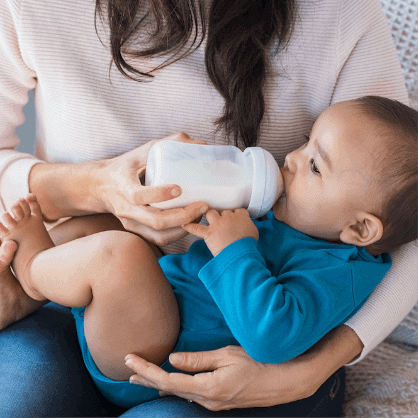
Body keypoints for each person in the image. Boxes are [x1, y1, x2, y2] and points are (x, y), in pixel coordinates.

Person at [0, 0, 416, 416]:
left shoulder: (337, 266)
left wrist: (308, 368)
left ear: (361, 230)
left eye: (313, 164)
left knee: (118, 256)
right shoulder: (304, 223)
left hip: (174, 364)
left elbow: (274, 334)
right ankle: (28, 282)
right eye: (305, 138)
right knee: (99, 230)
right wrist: (93, 185)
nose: (289, 156)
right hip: (147, 318)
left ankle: (34, 273)